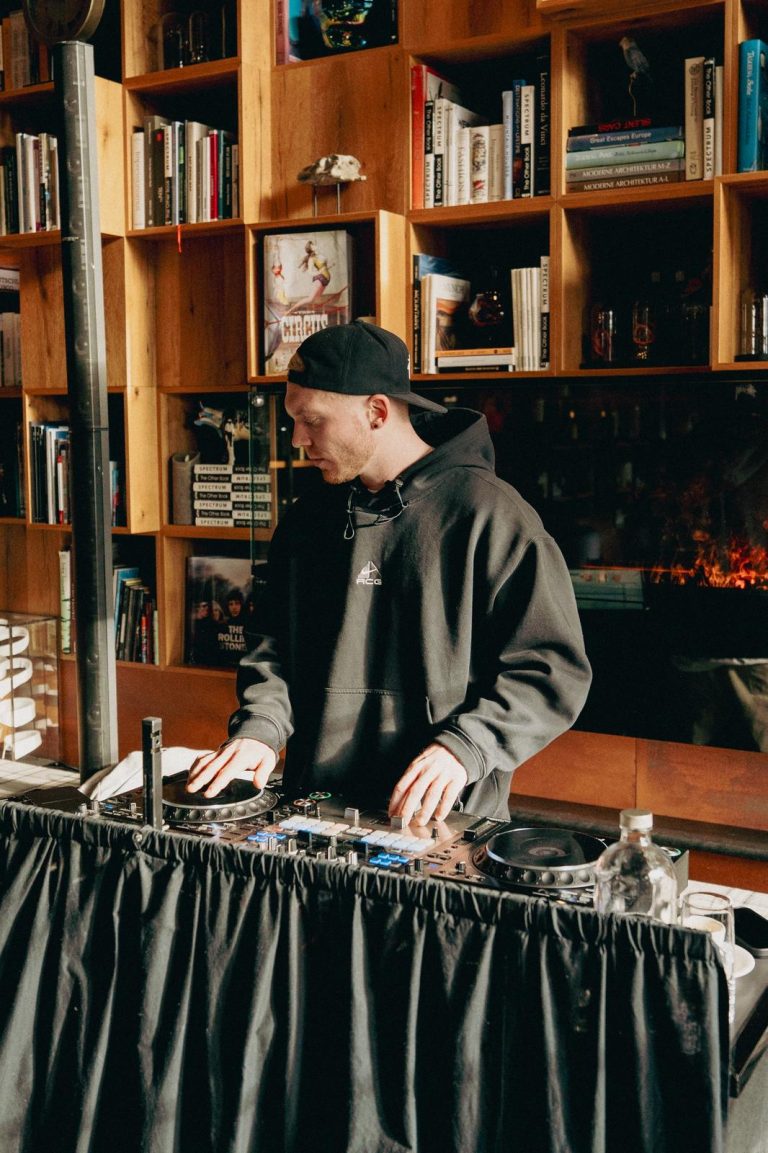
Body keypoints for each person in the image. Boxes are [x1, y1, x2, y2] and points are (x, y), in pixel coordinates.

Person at [187, 320, 592, 824]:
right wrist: (260, 729)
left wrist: (465, 747)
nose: (297, 439)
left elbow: (551, 671)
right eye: (293, 420)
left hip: (441, 818)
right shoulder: (308, 519)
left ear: (376, 412)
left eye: (312, 420)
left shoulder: (492, 516)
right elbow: (273, 647)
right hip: (315, 810)